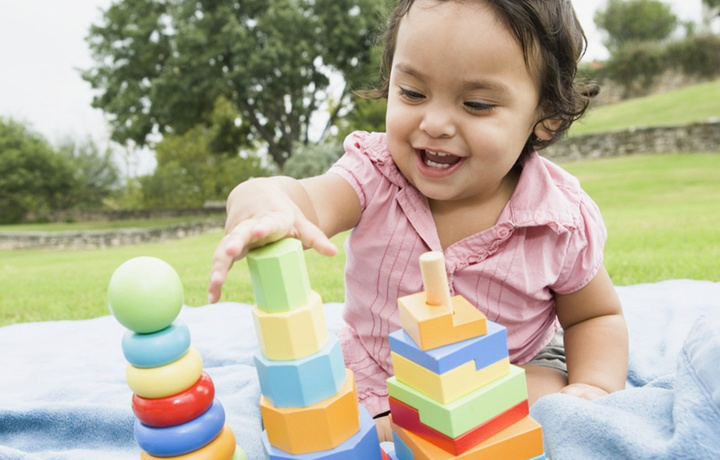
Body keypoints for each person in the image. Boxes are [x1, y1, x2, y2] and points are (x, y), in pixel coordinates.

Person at [208, 0, 628, 442]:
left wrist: (594, 386)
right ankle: (400, 428)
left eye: (477, 103)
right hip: (380, 372)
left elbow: (593, 316)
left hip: (507, 371)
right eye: (412, 93)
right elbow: (304, 199)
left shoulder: (557, 220)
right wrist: (264, 201)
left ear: (547, 117)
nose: (434, 123)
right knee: (322, 417)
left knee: (546, 395)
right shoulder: (374, 174)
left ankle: (437, 426)